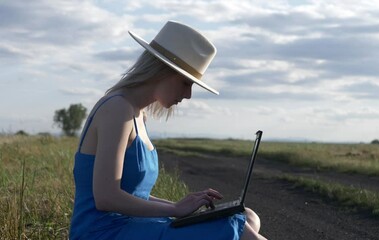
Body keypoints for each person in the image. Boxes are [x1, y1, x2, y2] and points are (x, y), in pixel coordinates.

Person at [69, 20, 267, 240]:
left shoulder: (138, 115)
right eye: (185, 83)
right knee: (235, 230)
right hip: (104, 232)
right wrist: (174, 211)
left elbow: (136, 195)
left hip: (133, 226)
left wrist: (183, 205)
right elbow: (106, 197)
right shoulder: (117, 109)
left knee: (248, 217)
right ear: (162, 71)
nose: (189, 95)